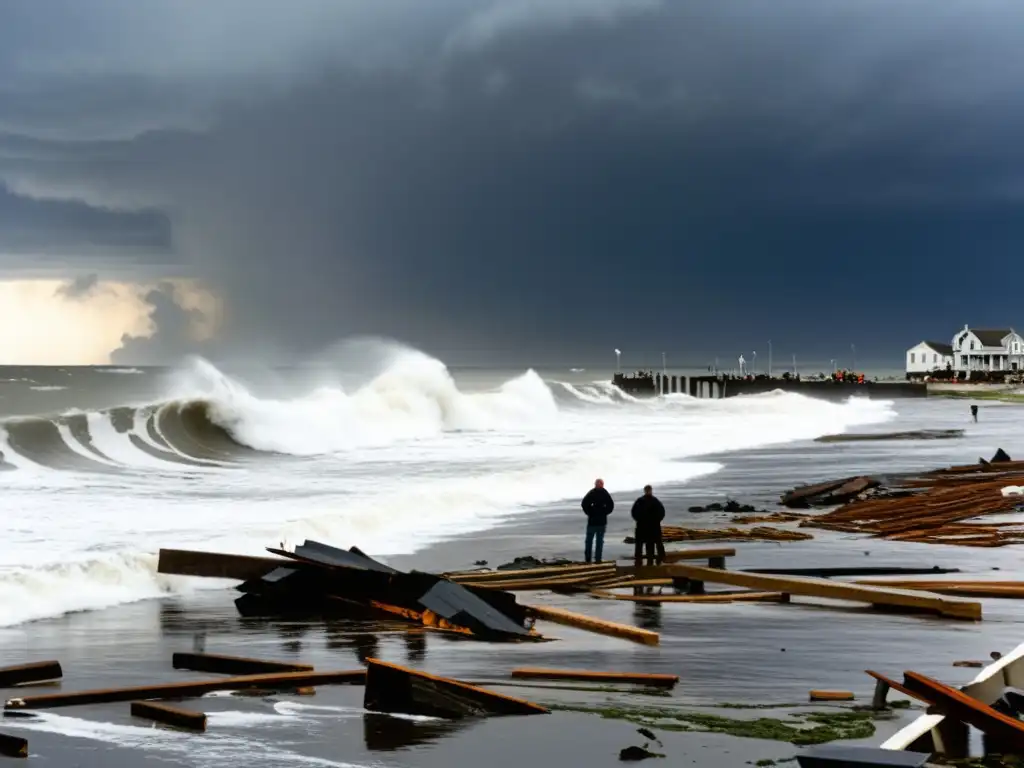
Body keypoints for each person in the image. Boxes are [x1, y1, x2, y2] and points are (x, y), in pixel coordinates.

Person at [631, 484, 666, 566]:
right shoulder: (640, 501)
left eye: (649, 490)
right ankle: (638, 562)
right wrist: (639, 519)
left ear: (651, 491)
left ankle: (653, 562)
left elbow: (662, 513)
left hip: (652, 526)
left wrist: (656, 520)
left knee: (650, 545)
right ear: (645, 491)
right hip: (642, 526)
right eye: (647, 491)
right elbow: (634, 512)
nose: (648, 492)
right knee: (639, 545)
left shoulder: (655, 501)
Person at [581, 478, 614, 563]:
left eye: (600, 484)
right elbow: (584, 503)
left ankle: (597, 559)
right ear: (595, 484)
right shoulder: (592, 493)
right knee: (589, 541)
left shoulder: (604, 493)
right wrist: (589, 512)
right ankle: (588, 559)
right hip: (593, 521)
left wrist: (604, 512)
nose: (599, 485)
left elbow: (611, 505)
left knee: (599, 542)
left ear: (602, 485)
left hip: (601, 522)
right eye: (598, 484)